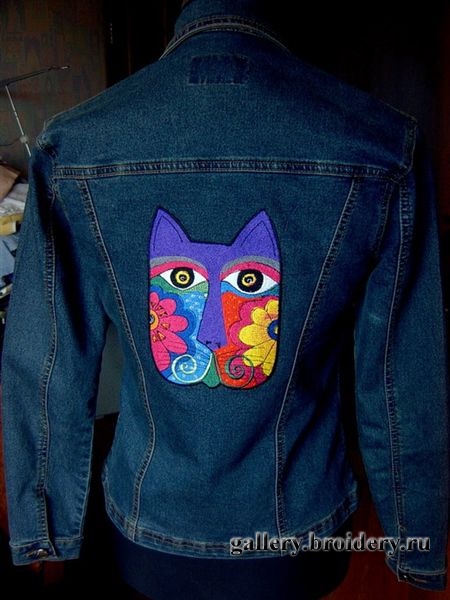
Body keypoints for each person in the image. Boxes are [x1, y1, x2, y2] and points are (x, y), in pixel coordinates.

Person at [1, 0, 448, 598]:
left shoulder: (73, 148)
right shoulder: (381, 145)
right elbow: (402, 376)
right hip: (298, 531)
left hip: (150, 518)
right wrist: (417, 536)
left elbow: (47, 364)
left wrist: (42, 526)